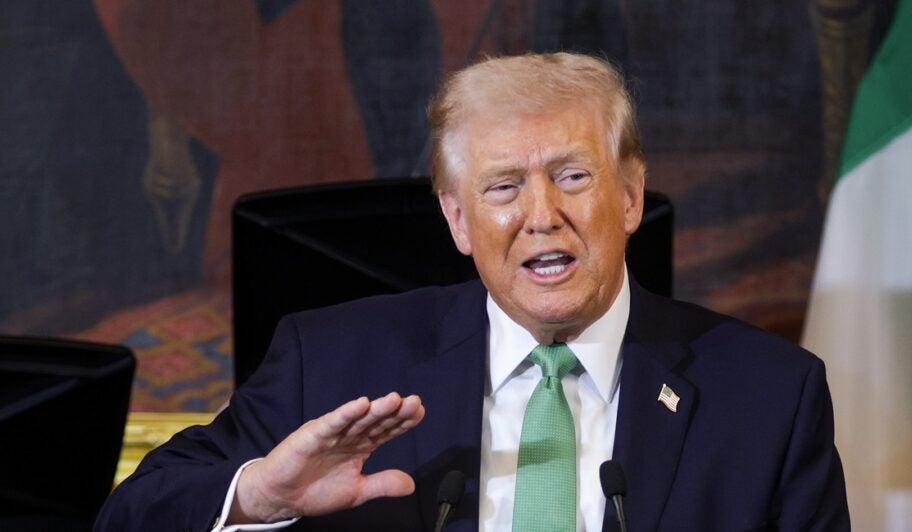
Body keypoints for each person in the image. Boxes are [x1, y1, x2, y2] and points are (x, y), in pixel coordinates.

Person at [96, 52, 850, 531]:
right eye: (503, 187)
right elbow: (131, 514)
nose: (540, 215)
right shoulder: (331, 364)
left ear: (629, 196)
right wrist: (260, 495)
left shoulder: (769, 398)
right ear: (458, 220)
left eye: (573, 176)